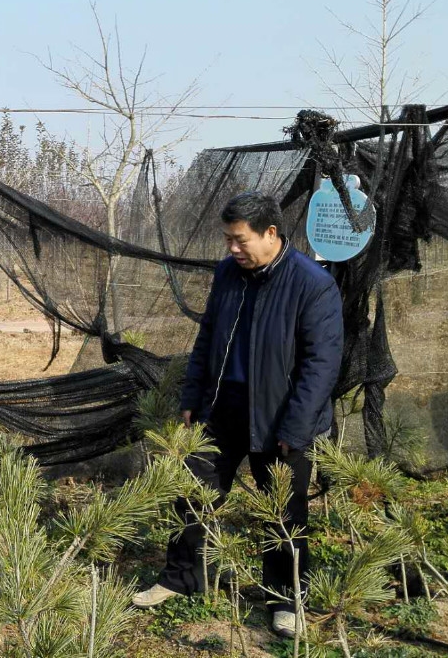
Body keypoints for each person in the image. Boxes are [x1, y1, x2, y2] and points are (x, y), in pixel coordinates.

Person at [132, 192, 344, 638]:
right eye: (227, 239)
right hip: (221, 409)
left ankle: (285, 599)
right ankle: (180, 577)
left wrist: (296, 427)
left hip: (280, 417)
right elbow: (207, 336)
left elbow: (321, 365)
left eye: (239, 239)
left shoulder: (312, 284)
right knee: (192, 494)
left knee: (284, 512)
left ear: (271, 234)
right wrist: (192, 395)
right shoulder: (229, 273)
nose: (231, 248)